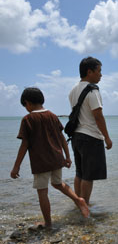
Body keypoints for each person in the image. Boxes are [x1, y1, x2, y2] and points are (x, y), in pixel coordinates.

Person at [10, 87, 89, 230]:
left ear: (27, 103)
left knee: (42, 192)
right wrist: (67, 156)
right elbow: (62, 138)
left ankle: (48, 223)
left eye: (25, 106)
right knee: (57, 183)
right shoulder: (52, 116)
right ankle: (79, 200)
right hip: (56, 159)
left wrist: (16, 166)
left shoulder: (28, 119)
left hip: (41, 162)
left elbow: (25, 144)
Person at [69, 56, 112, 205]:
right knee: (88, 176)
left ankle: (78, 203)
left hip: (76, 137)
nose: (101, 74)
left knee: (79, 173)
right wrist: (107, 137)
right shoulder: (92, 91)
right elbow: (98, 116)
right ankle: (85, 206)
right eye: (99, 71)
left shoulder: (73, 90)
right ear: (89, 72)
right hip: (91, 137)